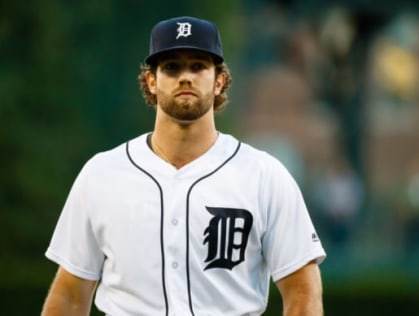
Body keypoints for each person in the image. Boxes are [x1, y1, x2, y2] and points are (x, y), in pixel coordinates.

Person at [41, 16, 326, 316]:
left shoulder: (264, 176)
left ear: (219, 81)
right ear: (152, 81)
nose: (185, 77)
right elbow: (71, 296)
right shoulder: (101, 175)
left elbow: (303, 292)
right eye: (172, 67)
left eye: (198, 66)